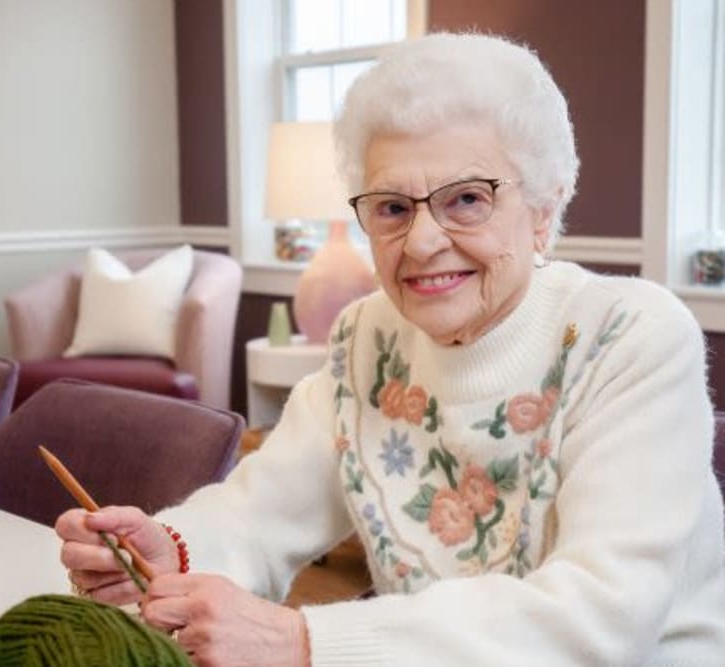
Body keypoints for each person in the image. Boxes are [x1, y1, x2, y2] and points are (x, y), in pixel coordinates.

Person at [57, 32, 725, 666]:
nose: (423, 240)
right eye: (392, 208)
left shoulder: (630, 337)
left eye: (467, 198)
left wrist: (304, 642)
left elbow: (600, 620)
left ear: (545, 209)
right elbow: (259, 511)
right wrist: (175, 551)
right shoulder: (366, 338)